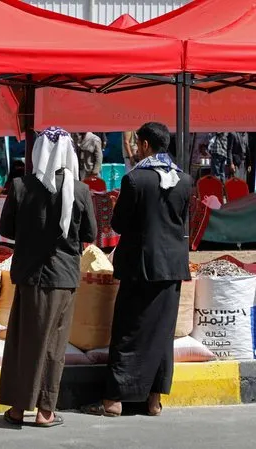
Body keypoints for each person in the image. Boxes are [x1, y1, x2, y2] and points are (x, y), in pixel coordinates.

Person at [82, 122, 192, 418]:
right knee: (161, 332)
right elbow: (181, 224)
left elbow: (118, 225)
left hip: (140, 266)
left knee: (128, 331)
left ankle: (113, 401)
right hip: (172, 267)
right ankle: (154, 401)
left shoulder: (134, 180)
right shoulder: (185, 180)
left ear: (143, 145)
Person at [0, 127, 96, 427]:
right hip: (62, 278)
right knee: (54, 344)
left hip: (28, 275)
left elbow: (5, 230)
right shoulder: (79, 190)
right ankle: (45, 411)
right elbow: (90, 234)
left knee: (22, 341)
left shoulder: (20, 186)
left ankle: (18, 408)